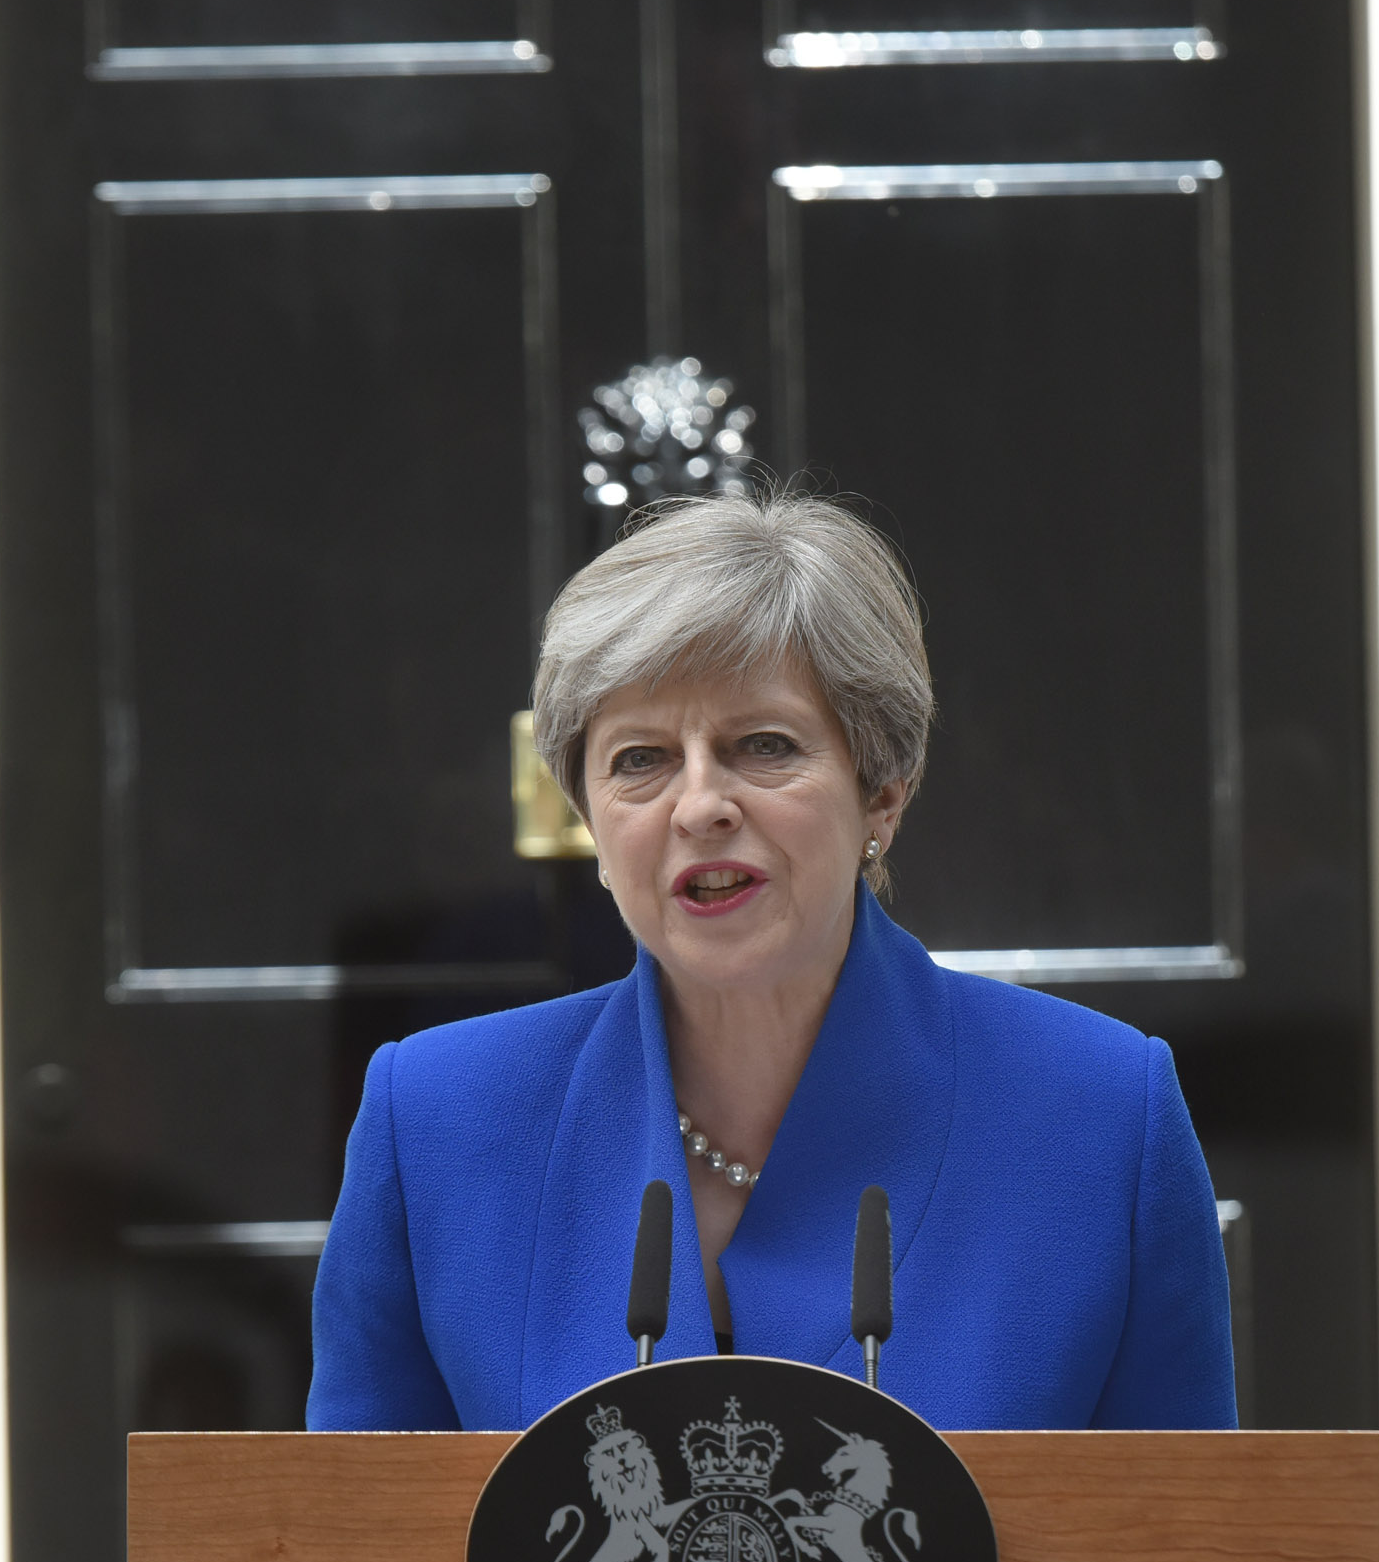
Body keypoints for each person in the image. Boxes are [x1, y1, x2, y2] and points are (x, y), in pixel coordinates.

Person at [306, 487, 1236, 1432]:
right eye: (640, 759)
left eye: (763, 745)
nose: (700, 804)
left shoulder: (1106, 1114)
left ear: (882, 794)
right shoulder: (432, 1121)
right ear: (588, 819)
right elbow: (345, 1552)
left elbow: (1186, 1556)